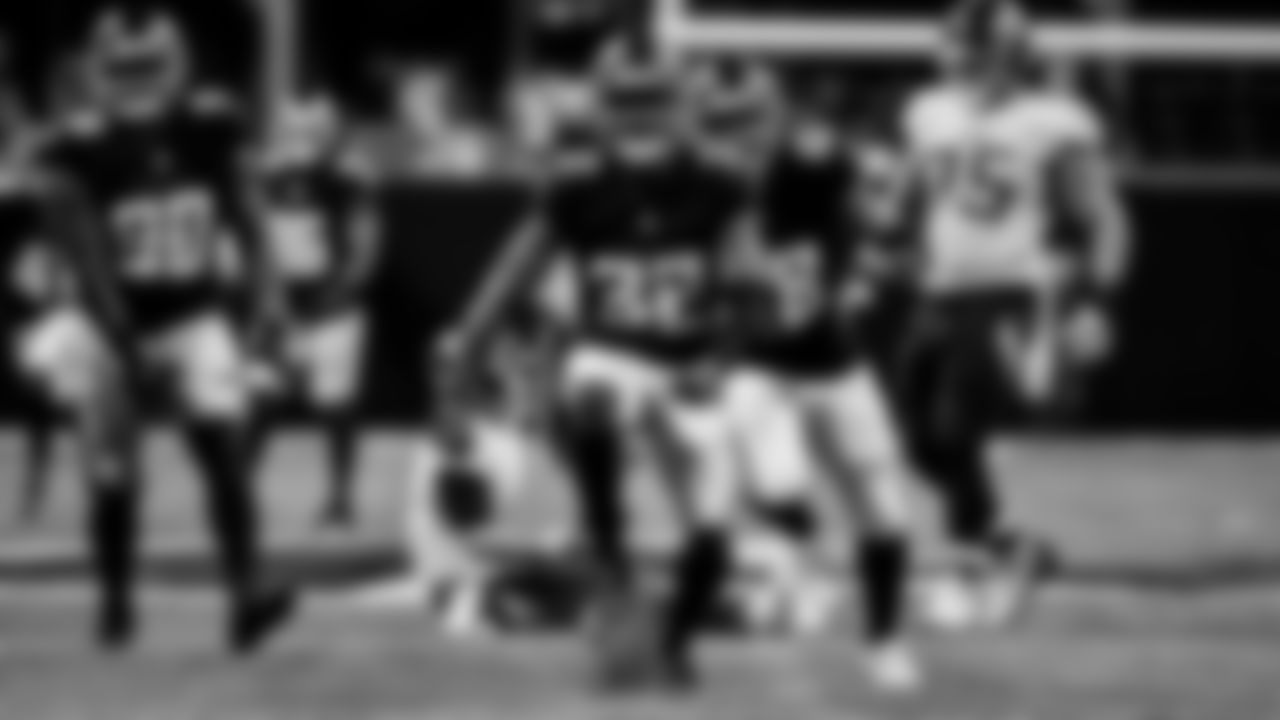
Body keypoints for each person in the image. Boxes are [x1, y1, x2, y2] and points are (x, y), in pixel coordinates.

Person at [437, 40, 751, 690]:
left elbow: (752, 290)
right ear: (605, 108)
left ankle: (671, 644)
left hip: (689, 363)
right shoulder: (578, 185)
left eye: (652, 101)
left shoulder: (720, 182)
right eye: (627, 103)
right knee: (592, 391)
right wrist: (468, 340)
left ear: (679, 105)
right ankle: (609, 545)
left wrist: (722, 357)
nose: (640, 118)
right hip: (614, 350)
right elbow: (513, 270)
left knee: (714, 536)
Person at [28, 7, 296, 651]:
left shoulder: (212, 127)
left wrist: (270, 296)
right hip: (104, 323)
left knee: (221, 444)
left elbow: (250, 217)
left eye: (147, 67)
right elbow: (85, 254)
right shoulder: (76, 148)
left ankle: (246, 593)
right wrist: (122, 337)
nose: (137, 81)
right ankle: (116, 602)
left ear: (176, 65)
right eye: (123, 69)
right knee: (115, 474)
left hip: (193, 312)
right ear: (98, 71)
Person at [893, 0, 1129, 628]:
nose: (958, 61)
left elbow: (1101, 216)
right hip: (938, 289)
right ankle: (1008, 545)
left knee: (954, 427)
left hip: (1008, 291)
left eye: (971, 50)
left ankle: (970, 568)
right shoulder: (927, 111)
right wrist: (896, 245)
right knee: (914, 438)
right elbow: (920, 197)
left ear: (1006, 56)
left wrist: (1095, 300)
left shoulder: (1053, 120)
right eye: (955, 48)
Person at [695, 61, 921, 692]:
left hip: (833, 361)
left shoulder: (818, 168)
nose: (735, 138)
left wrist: (864, 270)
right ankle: (796, 568)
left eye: (747, 123)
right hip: (758, 367)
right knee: (780, 489)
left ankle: (884, 642)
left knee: (884, 511)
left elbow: (882, 216)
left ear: (775, 119)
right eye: (722, 125)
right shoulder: (697, 192)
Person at [256, 93, 380, 527]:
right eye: (297, 130)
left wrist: (345, 287)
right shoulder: (266, 177)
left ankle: (340, 495)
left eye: (314, 130)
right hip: (285, 305)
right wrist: (269, 298)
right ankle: (239, 490)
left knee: (335, 408)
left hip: (332, 306)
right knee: (261, 398)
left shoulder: (348, 179)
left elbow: (367, 242)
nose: (305, 140)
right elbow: (259, 240)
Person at [0, 71, 67, 523]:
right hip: (14, 288)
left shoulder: (32, 172)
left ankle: (34, 491)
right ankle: (32, 491)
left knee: (35, 391)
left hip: (21, 290)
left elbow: (50, 226)